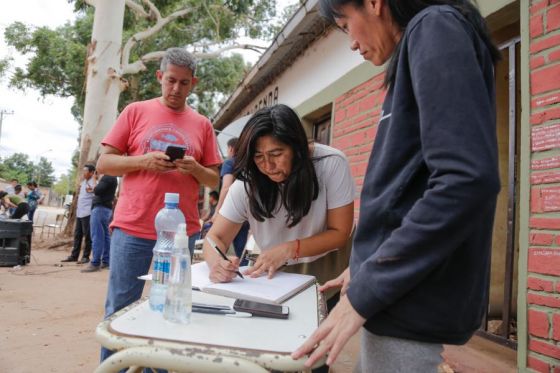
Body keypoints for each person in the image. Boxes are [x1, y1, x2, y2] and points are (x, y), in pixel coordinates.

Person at [292, 0, 502, 371]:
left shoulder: (434, 27)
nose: (352, 44)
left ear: (374, 3)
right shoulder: (420, 43)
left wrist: (371, 286)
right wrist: (365, 263)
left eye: (344, 25)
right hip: (394, 295)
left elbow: (465, 180)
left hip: (407, 300)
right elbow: (409, 187)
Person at [96, 47, 221, 361]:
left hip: (180, 232)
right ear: (159, 78)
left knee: (171, 307)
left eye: (183, 83)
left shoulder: (202, 124)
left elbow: (214, 180)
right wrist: (143, 162)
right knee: (121, 308)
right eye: (170, 81)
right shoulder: (135, 111)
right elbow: (105, 163)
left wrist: (195, 168)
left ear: (194, 83)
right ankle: (115, 368)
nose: (176, 89)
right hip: (133, 226)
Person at [203, 104, 355, 287]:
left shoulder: (331, 164)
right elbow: (215, 237)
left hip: (328, 264)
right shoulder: (246, 184)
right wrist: (217, 264)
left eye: (276, 154)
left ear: (298, 148)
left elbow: (340, 232)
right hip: (273, 270)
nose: (268, 166)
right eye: (258, 156)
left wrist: (290, 249)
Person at [211, 137, 250, 261]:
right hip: (250, 211)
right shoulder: (248, 162)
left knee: (220, 246)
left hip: (234, 210)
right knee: (245, 251)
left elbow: (226, 187)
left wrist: (217, 210)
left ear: (231, 148)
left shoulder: (229, 162)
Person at [81, 172, 118, 273]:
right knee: (105, 236)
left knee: (97, 235)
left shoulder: (107, 177)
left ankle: (95, 262)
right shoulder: (112, 177)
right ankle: (106, 261)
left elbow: (97, 190)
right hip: (106, 209)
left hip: (100, 208)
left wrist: (94, 180)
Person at [61, 164, 95, 263]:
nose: (83, 173)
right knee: (77, 235)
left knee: (87, 236)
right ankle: (74, 255)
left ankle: (85, 257)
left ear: (92, 172)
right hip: (80, 212)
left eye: (86, 171)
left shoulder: (94, 182)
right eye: (83, 171)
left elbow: (94, 194)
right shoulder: (83, 182)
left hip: (87, 213)